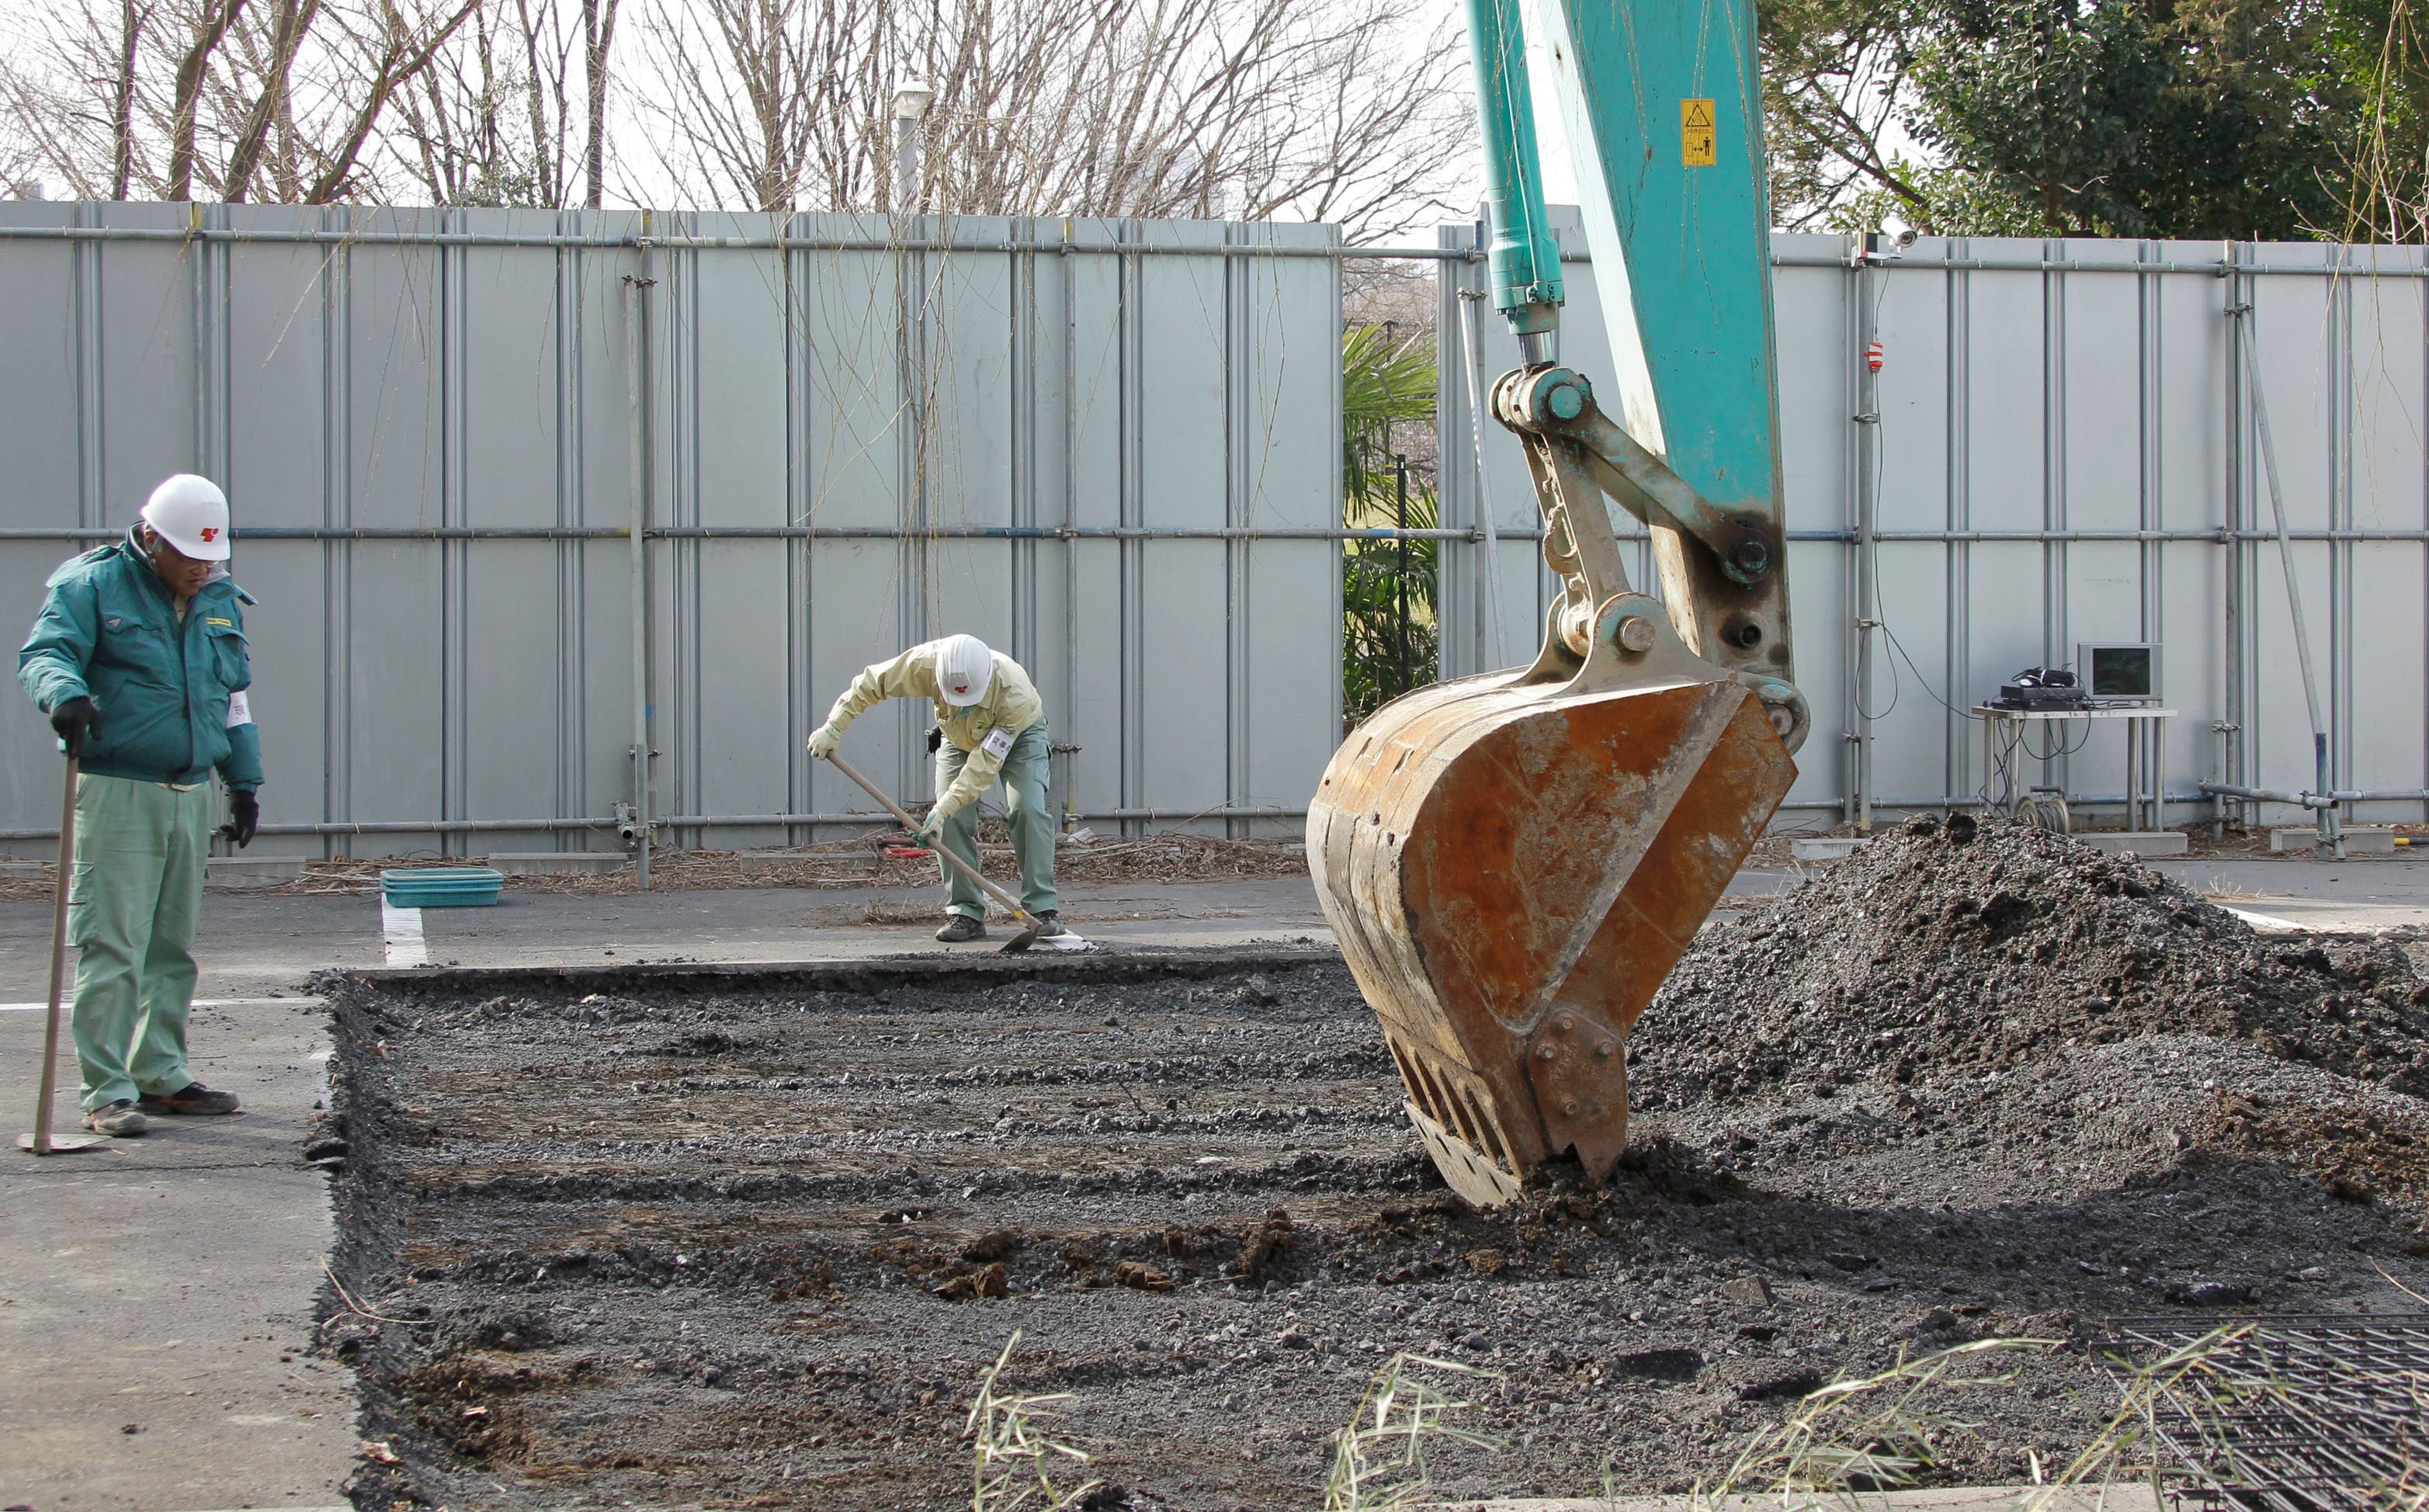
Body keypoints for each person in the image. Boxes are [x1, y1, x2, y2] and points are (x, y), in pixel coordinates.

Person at [18, 474, 264, 1138]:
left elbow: (232, 697)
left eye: (212, 558)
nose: (203, 569)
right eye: (190, 557)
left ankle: (161, 1073)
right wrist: (64, 694)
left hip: (187, 792)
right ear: (152, 538)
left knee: (170, 946)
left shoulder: (217, 598)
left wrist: (243, 781)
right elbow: (46, 652)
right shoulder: (91, 585)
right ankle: (107, 1090)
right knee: (113, 943)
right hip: (118, 788)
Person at [807, 634, 1062, 943]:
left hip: (1020, 737)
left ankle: (1042, 909)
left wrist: (941, 810)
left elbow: (982, 769)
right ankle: (965, 913)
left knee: (1028, 809)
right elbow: (870, 683)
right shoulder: (924, 665)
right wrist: (834, 726)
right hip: (955, 738)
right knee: (953, 821)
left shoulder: (1014, 695)